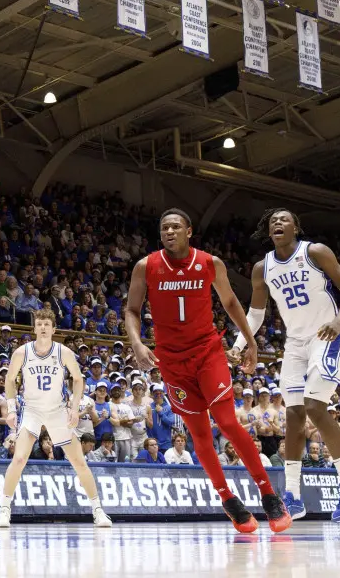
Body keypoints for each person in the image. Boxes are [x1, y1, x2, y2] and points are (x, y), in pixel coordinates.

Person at [126, 209, 290, 533]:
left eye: (175, 226)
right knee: (199, 434)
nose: (169, 231)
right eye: (164, 228)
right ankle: (229, 500)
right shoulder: (146, 267)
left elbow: (230, 303)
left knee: (228, 422)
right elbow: (132, 309)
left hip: (208, 353)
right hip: (172, 363)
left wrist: (251, 342)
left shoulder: (210, 263)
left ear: (189, 231)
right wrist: (136, 343)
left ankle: (269, 495)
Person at [238, 208, 340, 523]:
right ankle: (293, 496)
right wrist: (239, 344)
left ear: (296, 226)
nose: (277, 223)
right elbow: (256, 314)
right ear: (268, 232)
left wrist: (339, 321)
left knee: (313, 406)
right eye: (272, 221)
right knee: (294, 415)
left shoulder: (315, 252)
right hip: (295, 344)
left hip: (326, 334)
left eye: (284, 219)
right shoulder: (262, 268)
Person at [0, 309, 111, 529]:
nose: (43, 327)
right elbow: (10, 380)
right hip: (32, 410)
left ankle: (98, 510)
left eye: (47, 323)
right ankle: (4, 510)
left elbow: (78, 380)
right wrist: (11, 409)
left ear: (54, 328)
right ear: (34, 327)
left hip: (57, 410)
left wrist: (74, 408)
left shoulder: (63, 351)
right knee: (19, 459)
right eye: (39, 323)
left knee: (78, 461)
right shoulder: (22, 352)